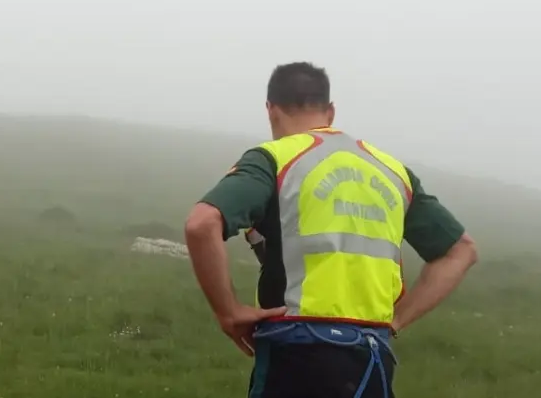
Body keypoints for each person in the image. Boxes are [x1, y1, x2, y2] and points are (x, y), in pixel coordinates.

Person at [184, 62, 478, 398]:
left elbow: (201, 223)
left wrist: (229, 313)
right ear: (331, 111)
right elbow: (461, 250)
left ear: (271, 110)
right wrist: (396, 320)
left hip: (296, 351)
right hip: (372, 356)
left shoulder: (273, 158)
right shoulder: (392, 170)